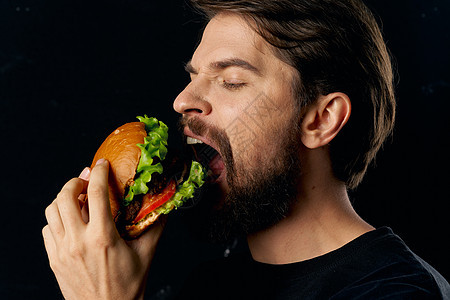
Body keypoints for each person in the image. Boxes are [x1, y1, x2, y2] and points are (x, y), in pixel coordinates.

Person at [42, 0, 450, 299]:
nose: (183, 101)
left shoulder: (393, 292)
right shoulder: (211, 287)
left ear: (322, 119)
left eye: (231, 80)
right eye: (195, 77)